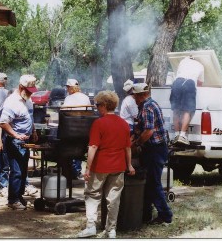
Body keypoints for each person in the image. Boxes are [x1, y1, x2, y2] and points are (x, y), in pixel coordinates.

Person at [77, 90, 135, 238]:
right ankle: (111, 230)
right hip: (118, 166)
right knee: (113, 199)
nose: (96, 108)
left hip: (100, 166)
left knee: (92, 195)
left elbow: (93, 147)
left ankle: (91, 227)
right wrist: (129, 165)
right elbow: (127, 147)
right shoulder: (124, 124)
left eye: (97, 105)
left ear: (103, 105)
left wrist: (88, 169)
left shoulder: (99, 123)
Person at [131, 83, 173, 225]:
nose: (134, 99)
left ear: (139, 95)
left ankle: (165, 215)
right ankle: (146, 215)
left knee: (154, 183)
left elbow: (149, 131)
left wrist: (136, 144)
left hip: (155, 150)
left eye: (134, 96)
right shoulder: (149, 105)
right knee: (149, 182)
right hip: (154, 149)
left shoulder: (147, 107)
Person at [0, 74, 38, 210]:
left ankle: (19, 196)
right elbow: (3, 123)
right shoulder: (12, 101)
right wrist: (16, 135)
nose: (30, 93)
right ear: (21, 87)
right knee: (16, 171)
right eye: (28, 90)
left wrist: (33, 131)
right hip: (14, 141)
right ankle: (13, 199)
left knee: (23, 171)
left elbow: (30, 117)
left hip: (25, 140)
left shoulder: (28, 100)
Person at [170, 56, 204, 145]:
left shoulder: (183, 61)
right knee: (187, 110)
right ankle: (182, 135)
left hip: (177, 83)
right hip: (189, 83)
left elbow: (178, 74)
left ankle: (176, 135)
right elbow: (200, 84)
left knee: (176, 109)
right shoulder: (200, 65)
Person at [62, 78, 91, 180]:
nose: (67, 89)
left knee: (69, 148)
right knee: (80, 149)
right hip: (84, 130)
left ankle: (72, 171)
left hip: (71, 130)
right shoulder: (85, 97)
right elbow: (89, 113)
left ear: (70, 88)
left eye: (67, 87)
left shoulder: (68, 99)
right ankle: (77, 170)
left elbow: (64, 113)